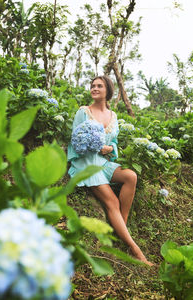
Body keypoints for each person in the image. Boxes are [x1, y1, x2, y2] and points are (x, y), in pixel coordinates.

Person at [67, 75, 153, 266]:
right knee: (112, 201)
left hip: (104, 162)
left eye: (99, 86)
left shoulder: (113, 116)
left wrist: (110, 149)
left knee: (131, 176)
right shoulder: (83, 112)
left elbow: (113, 142)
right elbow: (76, 140)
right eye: (92, 86)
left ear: (108, 90)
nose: (94, 88)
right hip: (87, 163)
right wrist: (97, 148)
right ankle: (134, 248)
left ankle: (120, 231)